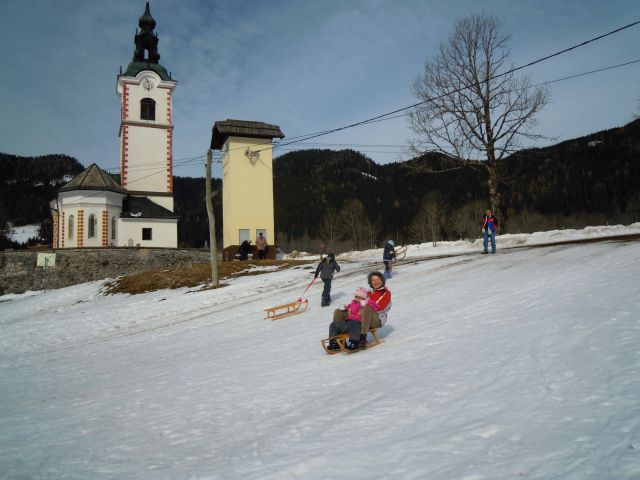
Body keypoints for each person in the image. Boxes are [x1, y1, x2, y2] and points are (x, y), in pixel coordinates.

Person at [327, 271, 392, 351]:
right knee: (338, 312)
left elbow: (380, 307)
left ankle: (362, 337)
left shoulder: (386, 293)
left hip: (376, 319)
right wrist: (349, 309)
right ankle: (338, 339)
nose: (376, 282)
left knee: (367, 308)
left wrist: (364, 308)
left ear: (382, 280)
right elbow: (357, 302)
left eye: (378, 280)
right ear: (370, 282)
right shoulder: (367, 293)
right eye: (373, 280)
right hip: (359, 317)